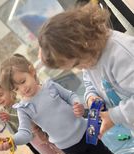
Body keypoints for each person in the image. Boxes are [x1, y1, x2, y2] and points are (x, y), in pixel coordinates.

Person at [0, 54, 131, 154]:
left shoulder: (50, 86)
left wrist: (76, 104)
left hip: (86, 132)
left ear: (32, 71)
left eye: (23, 81)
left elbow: (70, 96)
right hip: (68, 147)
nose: (22, 89)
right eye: (16, 89)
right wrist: (12, 141)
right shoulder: (23, 108)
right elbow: (24, 132)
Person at [37, 3, 134, 139]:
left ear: (84, 43)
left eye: (77, 63)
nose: (80, 68)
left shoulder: (119, 54)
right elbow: (90, 81)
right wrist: (91, 97)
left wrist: (113, 116)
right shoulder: (89, 58)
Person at [0, 82, 75, 154]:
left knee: (60, 148)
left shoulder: (21, 102)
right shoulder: (3, 111)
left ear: (10, 92)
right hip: (32, 139)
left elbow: (25, 119)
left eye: (0, 95)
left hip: (43, 132)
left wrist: (10, 117)